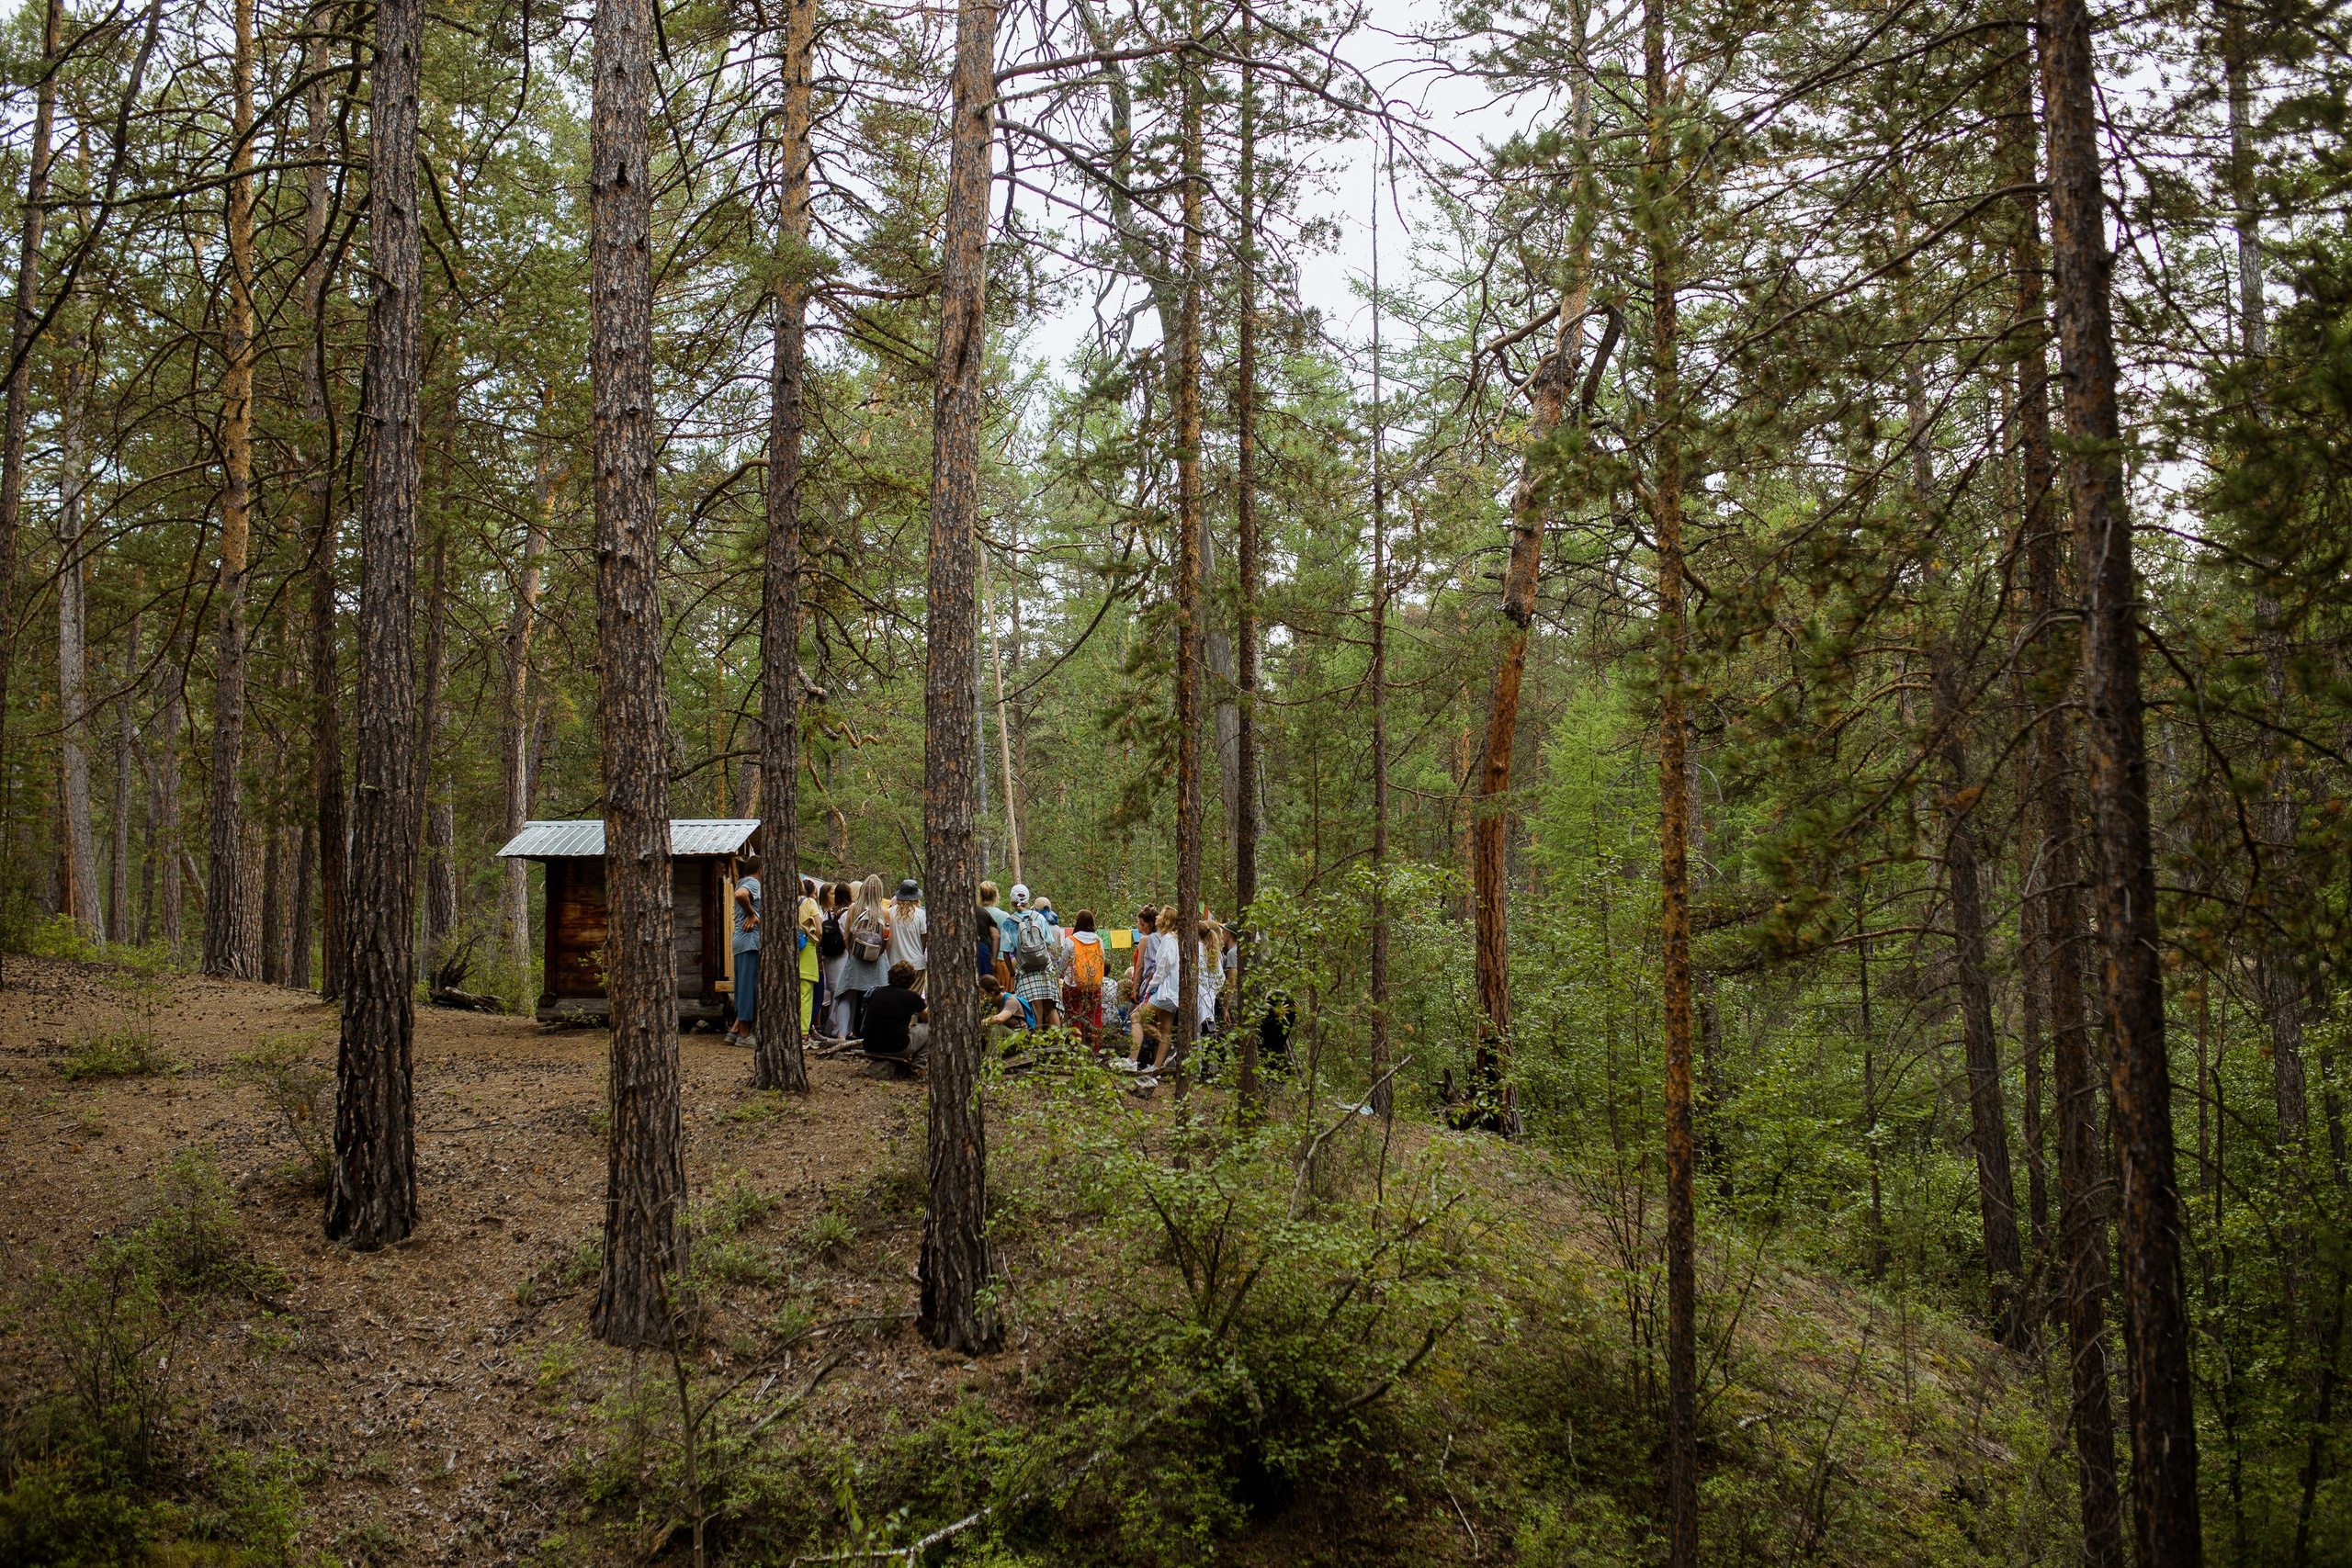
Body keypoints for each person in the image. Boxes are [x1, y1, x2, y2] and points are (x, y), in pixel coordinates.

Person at [835, 874, 892, 1036]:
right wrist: (878, 954)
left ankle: (841, 1034)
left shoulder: (853, 909)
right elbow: (888, 941)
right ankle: (872, 1034)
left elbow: (846, 936)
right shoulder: (884, 913)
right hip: (876, 962)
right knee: (876, 998)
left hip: (855, 959)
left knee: (846, 995)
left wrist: (854, 952)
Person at [1130, 906, 1182, 1079]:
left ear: (1166, 920)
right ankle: (1156, 1067)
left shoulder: (1167, 939)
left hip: (1164, 991)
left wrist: (1152, 986)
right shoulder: (1174, 939)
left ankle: (1132, 1060)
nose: (1157, 916)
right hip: (1173, 993)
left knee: (1136, 1017)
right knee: (1166, 1029)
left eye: (1160, 915)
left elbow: (1163, 966)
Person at [862, 960, 929, 1064]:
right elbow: (927, 1018)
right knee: (929, 1027)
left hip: (869, 1047)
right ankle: (919, 1065)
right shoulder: (911, 996)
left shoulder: (876, 992)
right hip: (897, 1049)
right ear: (912, 980)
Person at [1011, 892, 1060, 1030]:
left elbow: (1009, 949)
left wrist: (1013, 971)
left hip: (1026, 968)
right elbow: (1050, 944)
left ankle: (1037, 1038)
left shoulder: (1013, 921)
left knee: (1035, 1008)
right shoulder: (1051, 925)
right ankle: (1058, 1038)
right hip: (1046, 966)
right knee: (1050, 1007)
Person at [728, 853, 763, 1043]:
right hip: (749, 942)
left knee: (744, 985)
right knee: (748, 987)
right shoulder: (753, 883)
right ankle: (744, 1035)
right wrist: (751, 914)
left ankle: (734, 1031)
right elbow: (740, 895)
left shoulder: (744, 881)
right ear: (761, 870)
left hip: (743, 941)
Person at [1062, 909, 1106, 1052]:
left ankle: (1077, 1049)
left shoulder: (1070, 941)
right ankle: (1096, 1049)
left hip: (1073, 984)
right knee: (1095, 1017)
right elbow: (1102, 960)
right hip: (1094, 984)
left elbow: (1063, 963)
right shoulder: (1099, 941)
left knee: (1074, 1017)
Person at [818, 882, 851, 1040]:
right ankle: (839, 1028)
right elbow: (847, 935)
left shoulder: (828, 913)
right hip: (842, 956)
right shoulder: (847, 913)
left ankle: (831, 1027)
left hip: (829, 957)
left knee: (833, 993)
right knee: (841, 993)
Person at [887, 878, 929, 994]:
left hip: (894, 963)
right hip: (916, 964)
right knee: (912, 999)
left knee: (895, 998)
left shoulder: (889, 913)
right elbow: (924, 940)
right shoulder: (921, 915)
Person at [979, 881, 1017, 991]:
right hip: (1002, 962)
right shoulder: (1004, 916)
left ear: (980, 896)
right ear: (996, 896)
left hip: (983, 962)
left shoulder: (977, 914)